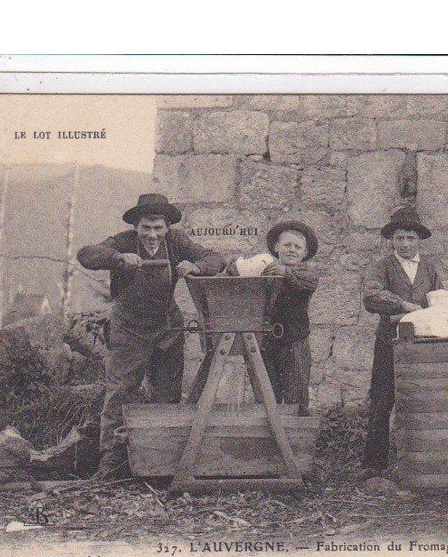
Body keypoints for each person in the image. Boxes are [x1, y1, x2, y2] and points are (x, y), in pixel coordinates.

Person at [77, 193, 226, 480]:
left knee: (168, 394)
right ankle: (112, 464)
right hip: (128, 329)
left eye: (158, 228)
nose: (152, 235)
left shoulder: (178, 242)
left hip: (167, 327)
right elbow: (87, 255)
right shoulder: (121, 243)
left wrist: (196, 267)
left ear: (167, 227)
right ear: (136, 226)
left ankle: (162, 463)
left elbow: (214, 258)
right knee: (120, 392)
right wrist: (119, 259)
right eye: (146, 228)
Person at [361, 206, 443, 477]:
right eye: (400, 238)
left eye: (410, 238)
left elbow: (439, 299)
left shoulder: (429, 269)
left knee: (421, 402)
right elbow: (371, 297)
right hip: (389, 343)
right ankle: (374, 466)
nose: (405, 243)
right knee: (382, 402)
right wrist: (403, 305)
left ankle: (420, 463)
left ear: (419, 240)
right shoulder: (381, 267)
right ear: (391, 241)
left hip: (420, 346)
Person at [227, 220, 319, 415]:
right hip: (265, 343)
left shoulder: (306, 272)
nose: (292, 250)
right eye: (287, 245)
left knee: (296, 398)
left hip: (294, 343)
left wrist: (284, 272)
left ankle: (297, 439)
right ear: (276, 247)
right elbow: (238, 271)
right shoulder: (266, 268)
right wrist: (238, 266)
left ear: (304, 252)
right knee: (266, 398)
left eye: (297, 247)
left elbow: (307, 283)